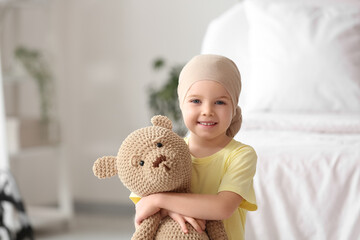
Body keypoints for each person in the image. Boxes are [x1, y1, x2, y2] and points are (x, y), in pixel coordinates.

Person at [131, 54, 257, 240]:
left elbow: (223, 207)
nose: (207, 110)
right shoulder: (165, 152)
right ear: (182, 105)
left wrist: (160, 201)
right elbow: (143, 212)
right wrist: (170, 212)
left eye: (220, 102)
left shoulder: (241, 155)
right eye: (196, 101)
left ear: (234, 107)